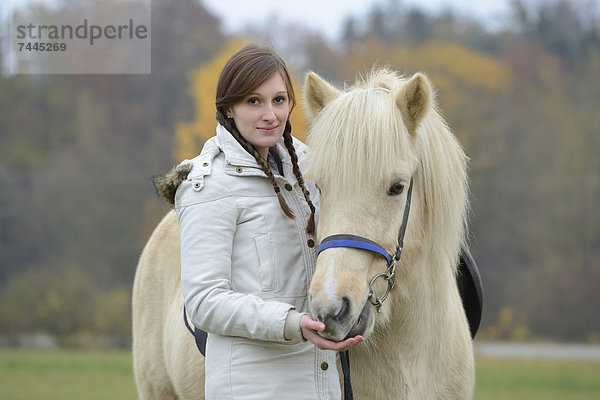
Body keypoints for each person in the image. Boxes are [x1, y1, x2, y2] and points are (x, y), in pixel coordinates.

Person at [174, 44, 363, 400]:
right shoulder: (208, 184)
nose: (270, 115)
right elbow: (204, 301)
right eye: (253, 101)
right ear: (228, 107)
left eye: (279, 100)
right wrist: (292, 324)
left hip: (320, 385)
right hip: (250, 388)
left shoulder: (310, 169)